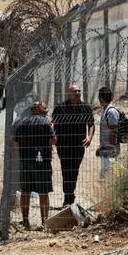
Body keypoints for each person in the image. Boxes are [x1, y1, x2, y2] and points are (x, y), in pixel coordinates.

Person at [12, 101, 56, 230]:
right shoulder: (45, 122)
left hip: (25, 161)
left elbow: (15, 144)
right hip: (42, 162)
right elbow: (53, 140)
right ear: (36, 109)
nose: (46, 109)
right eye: (43, 106)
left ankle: (25, 221)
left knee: (25, 191)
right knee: (43, 192)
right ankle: (44, 222)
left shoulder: (21, 123)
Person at [51, 84, 94, 207]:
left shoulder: (85, 107)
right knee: (66, 169)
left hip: (78, 145)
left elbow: (91, 124)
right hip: (63, 145)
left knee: (74, 170)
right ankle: (67, 197)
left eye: (79, 90)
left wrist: (89, 137)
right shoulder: (60, 108)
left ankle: (71, 194)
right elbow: (53, 123)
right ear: (69, 93)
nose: (78, 92)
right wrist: (52, 136)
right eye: (75, 91)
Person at [97, 86, 120, 179]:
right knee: (104, 172)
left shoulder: (111, 112)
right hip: (105, 147)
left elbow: (113, 131)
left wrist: (111, 148)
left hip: (110, 148)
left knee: (108, 173)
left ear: (101, 98)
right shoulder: (105, 110)